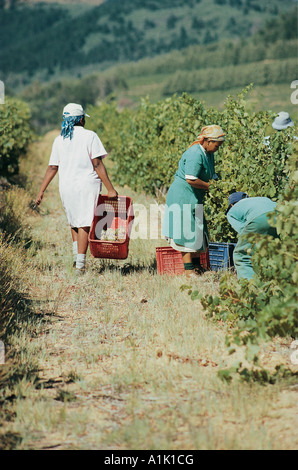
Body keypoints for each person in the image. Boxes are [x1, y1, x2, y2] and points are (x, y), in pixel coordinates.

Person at [35, 102, 118, 273]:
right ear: (81, 119)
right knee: (84, 223)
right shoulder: (90, 136)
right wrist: (111, 189)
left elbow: (52, 167)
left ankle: (77, 260)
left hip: (66, 186)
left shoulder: (59, 140)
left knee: (74, 221)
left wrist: (41, 191)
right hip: (86, 185)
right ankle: (80, 265)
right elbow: (97, 163)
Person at [162, 125, 226, 278]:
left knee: (197, 230)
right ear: (208, 141)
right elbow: (191, 179)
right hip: (183, 196)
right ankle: (189, 270)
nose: (218, 148)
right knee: (186, 232)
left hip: (194, 196)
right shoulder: (194, 154)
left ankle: (198, 267)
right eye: (217, 145)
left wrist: (220, 186)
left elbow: (211, 173)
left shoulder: (208, 153)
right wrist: (210, 187)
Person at [225, 192, 278, 280]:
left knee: (241, 255)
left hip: (259, 218)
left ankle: (249, 287)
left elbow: (243, 231)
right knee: (275, 251)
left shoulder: (232, 211)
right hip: (280, 215)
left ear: (231, 205)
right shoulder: (261, 198)